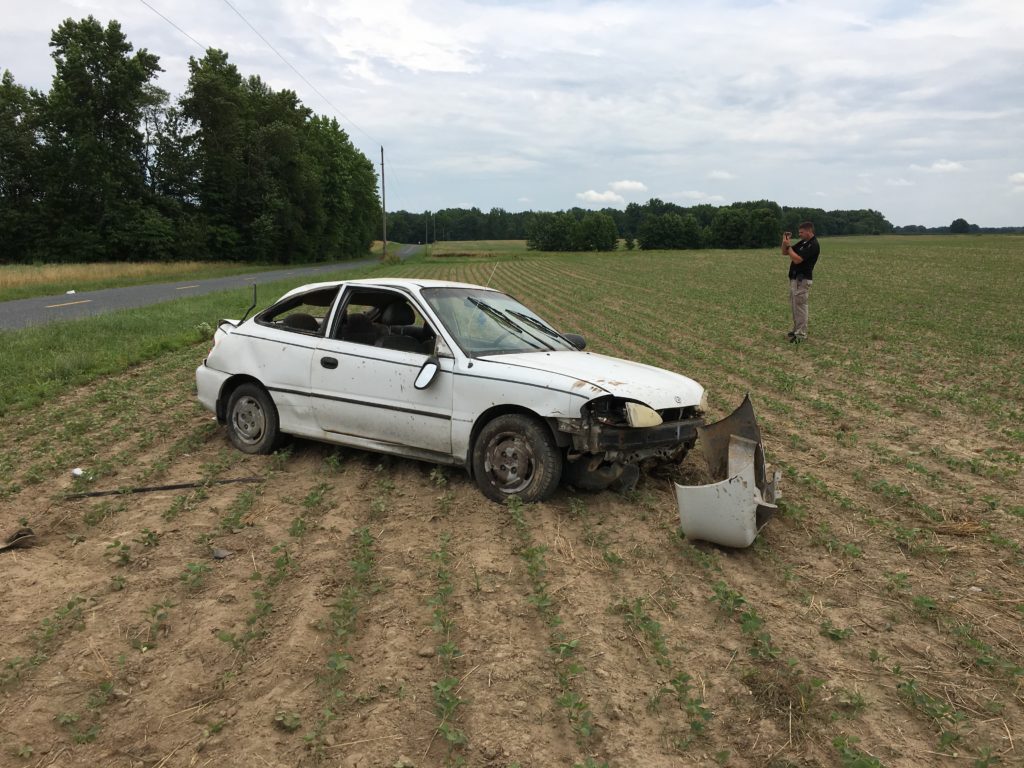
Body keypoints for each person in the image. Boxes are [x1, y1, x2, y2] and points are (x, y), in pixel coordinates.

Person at [781, 221, 820, 343]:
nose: (800, 235)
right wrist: (785, 242)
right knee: (795, 306)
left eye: (801, 232)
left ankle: (801, 335)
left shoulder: (813, 245)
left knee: (801, 307)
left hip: (802, 280)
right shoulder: (803, 242)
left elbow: (797, 260)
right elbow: (784, 252)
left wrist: (789, 247)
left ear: (809, 231)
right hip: (794, 279)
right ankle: (796, 330)